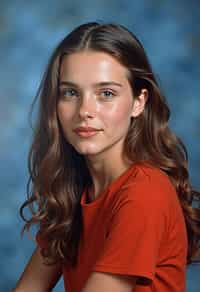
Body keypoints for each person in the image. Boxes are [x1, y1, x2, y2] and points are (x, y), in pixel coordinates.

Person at [14, 21, 200, 292]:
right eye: (70, 93)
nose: (85, 110)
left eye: (106, 93)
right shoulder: (74, 194)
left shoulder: (144, 193)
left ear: (139, 102)